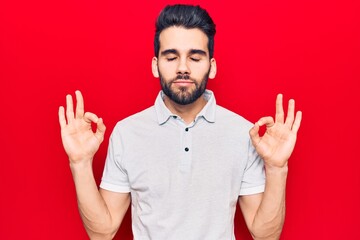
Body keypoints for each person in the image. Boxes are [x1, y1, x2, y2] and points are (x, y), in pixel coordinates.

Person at [58, 4, 302, 240]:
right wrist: (79, 163)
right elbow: (102, 233)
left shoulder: (243, 134)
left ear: (212, 66)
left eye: (195, 58)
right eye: (171, 57)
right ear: (156, 65)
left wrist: (277, 168)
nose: (183, 68)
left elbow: (265, 235)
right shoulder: (127, 133)